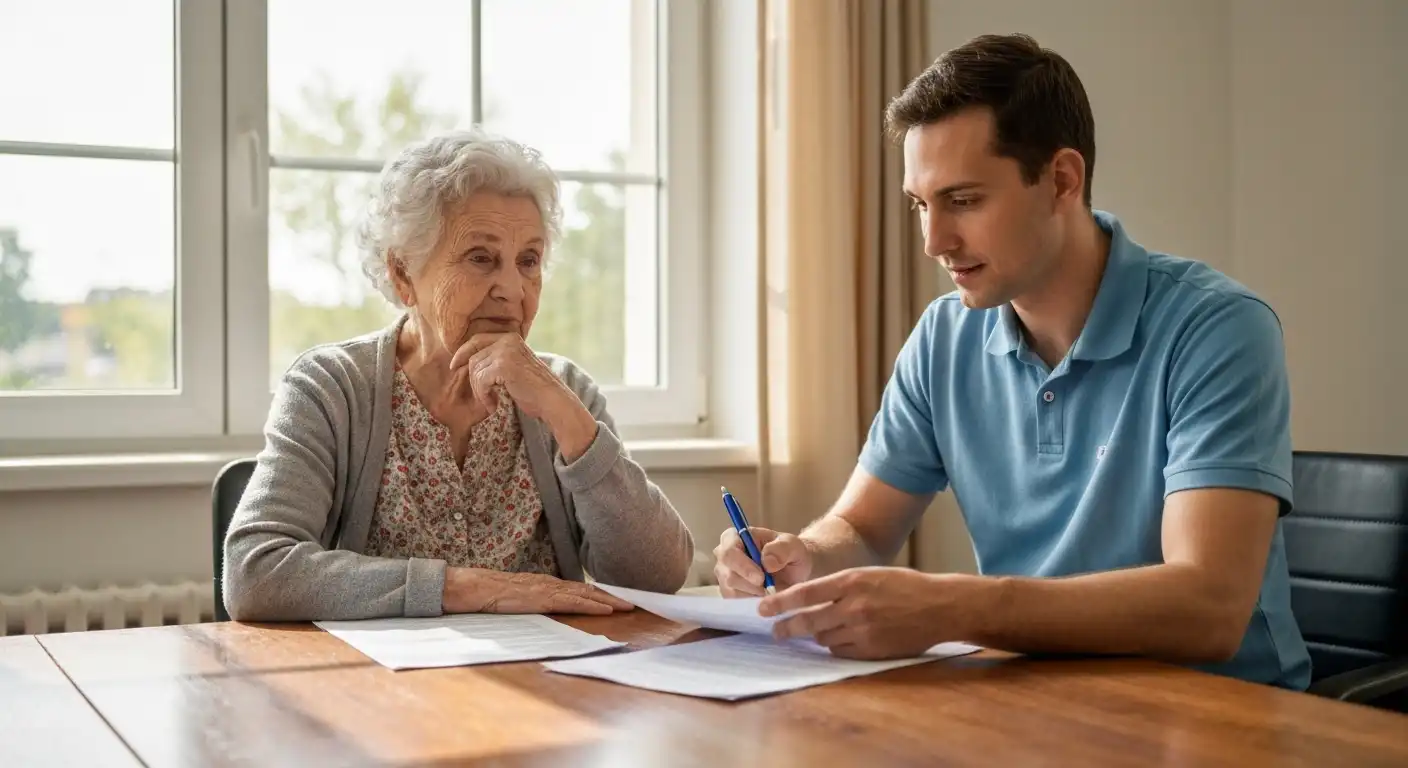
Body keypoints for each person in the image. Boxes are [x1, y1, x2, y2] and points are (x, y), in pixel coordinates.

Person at [714, 33, 1311, 689]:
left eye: (964, 200)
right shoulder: (944, 337)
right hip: (1039, 705)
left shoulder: (1217, 328)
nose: (934, 242)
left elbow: (1209, 609)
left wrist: (957, 607)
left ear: (1061, 180)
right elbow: (861, 526)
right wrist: (805, 556)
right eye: (921, 205)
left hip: (1224, 721)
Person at [224, 128, 695, 622]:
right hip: (382, 687)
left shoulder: (566, 391)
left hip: (550, 678)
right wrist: (465, 588)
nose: (512, 289)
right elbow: (256, 572)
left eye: (528, 261)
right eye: (481, 258)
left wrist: (571, 422)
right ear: (404, 274)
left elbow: (658, 575)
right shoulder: (332, 387)